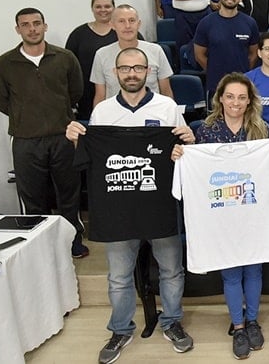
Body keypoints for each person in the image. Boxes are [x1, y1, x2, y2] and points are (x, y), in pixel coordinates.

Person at [65, 47, 196, 363]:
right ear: (115, 73)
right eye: (125, 68)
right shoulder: (103, 112)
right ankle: (120, 329)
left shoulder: (167, 107)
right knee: (119, 276)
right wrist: (77, 139)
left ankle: (172, 322)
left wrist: (188, 141)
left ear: (148, 71)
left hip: (160, 204)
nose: (132, 74)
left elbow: (183, 152)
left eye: (138, 68)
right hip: (118, 210)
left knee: (171, 270)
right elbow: (90, 157)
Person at [171, 73, 269, 359]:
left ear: (250, 100)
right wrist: (182, 155)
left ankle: (252, 321)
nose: (235, 103)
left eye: (241, 97)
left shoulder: (262, 130)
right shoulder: (206, 130)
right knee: (230, 272)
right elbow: (197, 170)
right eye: (230, 96)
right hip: (222, 217)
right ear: (220, 99)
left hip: (253, 215)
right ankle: (238, 327)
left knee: (253, 270)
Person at [0, 7, 87, 258]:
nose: (32, 29)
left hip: (63, 136)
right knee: (32, 197)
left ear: (45, 26)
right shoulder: (4, 64)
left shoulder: (65, 58)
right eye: (25, 25)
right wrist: (25, 117)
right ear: (18, 29)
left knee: (69, 193)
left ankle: (73, 240)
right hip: (25, 140)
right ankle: (39, 246)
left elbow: (76, 91)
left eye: (36, 23)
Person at [90, 5, 174, 104]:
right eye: (121, 21)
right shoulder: (101, 55)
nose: (127, 26)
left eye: (132, 20)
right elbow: (100, 96)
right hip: (115, 112)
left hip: (152, 111)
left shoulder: (156, 51)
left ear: (139, 24)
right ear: (112, 25)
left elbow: (166, 91)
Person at [193, 0, 260, 99]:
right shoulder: (206, 23)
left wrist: (244, 74)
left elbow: (254, 54)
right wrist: (213, 71)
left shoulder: (250, 23)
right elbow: (199, 55)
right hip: (215, 86)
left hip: (242, 85)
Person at [67, 0, 118, 121]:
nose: (103, 10)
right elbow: (69, 66)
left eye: (107, 6)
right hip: (86, 93)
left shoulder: (124, 31)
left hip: (118, 89)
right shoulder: (78, 34)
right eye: (98, 6)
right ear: (92, 9)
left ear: (114, 8)